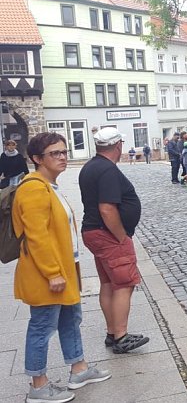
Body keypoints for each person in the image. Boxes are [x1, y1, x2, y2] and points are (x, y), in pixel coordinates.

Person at [13, 132, 112, 403]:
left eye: (64, 152)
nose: (62, 157)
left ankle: (78, 369)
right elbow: (37, 236)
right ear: (36, 159)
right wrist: (52, 272)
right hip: (48, 273)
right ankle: (38, 385)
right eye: (54, 153)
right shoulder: (33, 187)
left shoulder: (49, 185)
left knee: (71, 318)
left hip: (65, 269)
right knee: (42, 326)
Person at [79, 127, 150, 356]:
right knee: (124, 283)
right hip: (107, 234)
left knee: (109, 283)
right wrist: (120, 236)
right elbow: (107, 208)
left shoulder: (90, 166)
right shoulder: (107, 170)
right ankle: (121, 335)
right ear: (118, 145)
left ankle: (112, 332)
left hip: (93, 231)